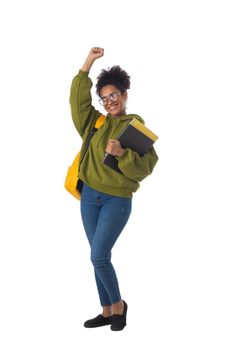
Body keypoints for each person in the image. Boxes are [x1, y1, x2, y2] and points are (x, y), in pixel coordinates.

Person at [69, 47, 158, 331]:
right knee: (97, 256)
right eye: (104, 99)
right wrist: (87, 63)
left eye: (114, 96)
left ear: (125, 95)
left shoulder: (135, 126)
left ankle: (118, 306)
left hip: (116, 200)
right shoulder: (95, 123)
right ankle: (106, 310)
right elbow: (77, 104)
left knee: (98, 256)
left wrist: (122, 153)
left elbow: (146, 167)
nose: (109, 102)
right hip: (89, 197)